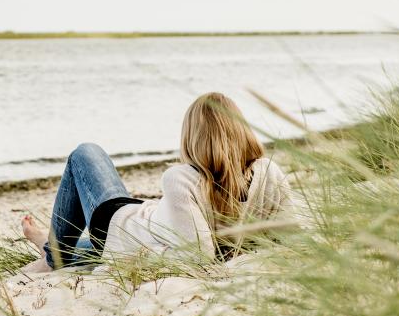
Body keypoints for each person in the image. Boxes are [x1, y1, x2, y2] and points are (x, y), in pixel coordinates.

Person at [20, 92, 292, 273]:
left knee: (85, 153)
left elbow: (198, 258)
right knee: (130, 225)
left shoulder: (181, 178)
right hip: (150, 220)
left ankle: (53, 256)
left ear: (191, 137)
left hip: (122, 229)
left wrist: (140, 255)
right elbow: (293, 238)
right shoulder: (269, 171)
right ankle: (50, 242)